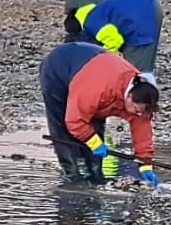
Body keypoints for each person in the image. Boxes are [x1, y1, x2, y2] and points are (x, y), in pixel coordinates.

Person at [38, 43, 160, 187]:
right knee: (62, 126)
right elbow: (74, 121)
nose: (138, 114)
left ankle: (95, 174)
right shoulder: (100, 88)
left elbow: (142, 134)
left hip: (94, 71)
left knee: (95, 123)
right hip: (59, 67)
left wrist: (145, 164)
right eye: (136, 109)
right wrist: (94, 143)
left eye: (141, 111)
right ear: (129, 97)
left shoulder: (141, 100)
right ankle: (72, 174)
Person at [75, 0, 163, 73]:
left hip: (142, 17)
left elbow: (115, 41)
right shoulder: (92, 12)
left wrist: (104, 60)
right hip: (147, 3)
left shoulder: (91, 22)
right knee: (143, 64)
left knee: (135, 72)